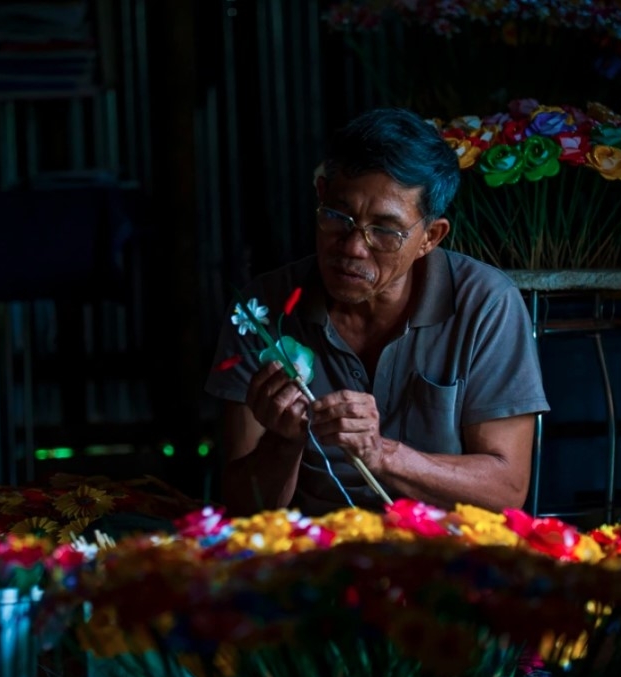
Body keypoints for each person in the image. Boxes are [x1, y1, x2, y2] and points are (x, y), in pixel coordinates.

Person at [204, 106, 550, 517]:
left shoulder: (486, 304)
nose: (353, 248)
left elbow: (507, 489)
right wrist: (283, 442)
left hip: (444, 546)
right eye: (338, 216)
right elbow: (241, 506)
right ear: (320, 196)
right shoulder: (262, 311)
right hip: (308, 545)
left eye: (385, 231)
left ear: (430, 237)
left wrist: (382, 453)